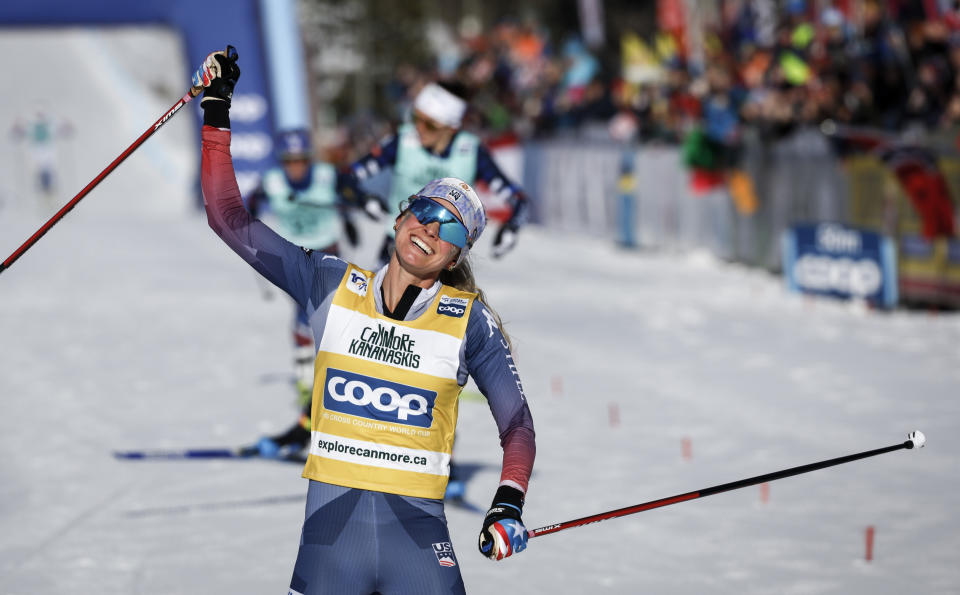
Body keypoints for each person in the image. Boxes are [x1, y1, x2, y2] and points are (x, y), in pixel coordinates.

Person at [195, 47, 536, 593]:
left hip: (419, 550)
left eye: (449, 231)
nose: (429, 231)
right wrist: (216, 109)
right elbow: (226, 216)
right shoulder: (327, 282)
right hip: (331, 551)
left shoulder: (469, 323)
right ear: (401, 214)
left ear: (458, 256)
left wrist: (508, 503)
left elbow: (517, 427)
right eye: (423, 213)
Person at [244, 128, 369, 459]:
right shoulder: (271, 181)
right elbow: (248, 204)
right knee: (305, 315)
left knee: (323, 317)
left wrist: (352, 213)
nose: (295, 168)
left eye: (301, 161)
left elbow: (350, 191)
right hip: (292, 256)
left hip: (327, 253)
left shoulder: (327, 176)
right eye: (289, 161)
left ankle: (334, 395)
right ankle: (309, 394)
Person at [351, 80, 532, 266]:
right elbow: (349, 175)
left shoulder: (471, 151)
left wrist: (512, 226)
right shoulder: (403, 141)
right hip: (397, 246)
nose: (419, 128)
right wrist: (362, 199)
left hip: (443, 257)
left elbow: (519, 199)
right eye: (416, 119)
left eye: (430, 125)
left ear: (451, 127)